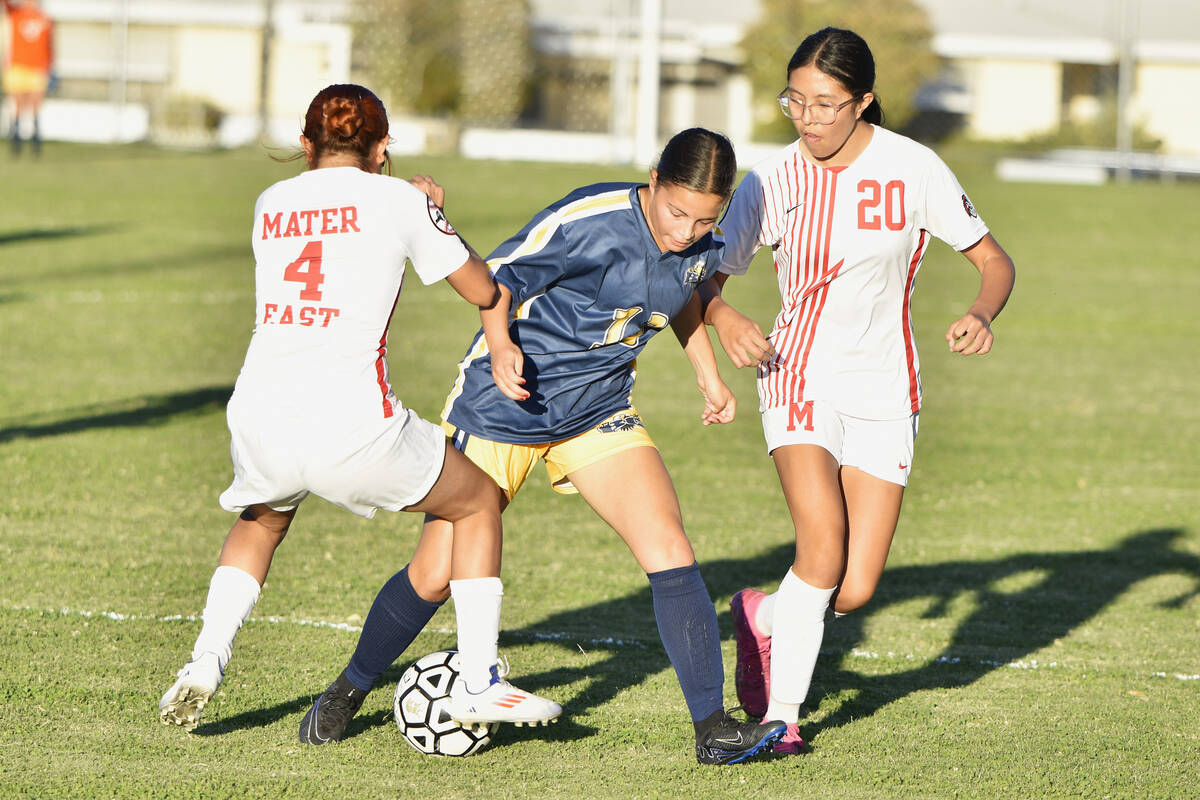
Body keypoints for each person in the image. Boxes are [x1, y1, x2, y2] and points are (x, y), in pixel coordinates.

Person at [300, 127, 788, 765]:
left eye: (705, 219)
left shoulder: (702, 242)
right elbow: (497, 281)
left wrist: (707, 374)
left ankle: (713, 728)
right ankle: (347, 689)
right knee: (434, 574)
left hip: (597, 410)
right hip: (507, 405)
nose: (686, 231)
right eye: (676, 212)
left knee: (669, 547)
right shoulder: (589, 220)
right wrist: (502, 347)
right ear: (653, 181)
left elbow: (687, 292)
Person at [158, 84, 560, 735]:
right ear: (383, 147)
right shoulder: (397, 198)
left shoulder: (270, 201)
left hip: (260, 409)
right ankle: (481, 681)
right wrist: (431, 213)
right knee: (478, 501)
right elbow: (485, 288)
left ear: (305, 144)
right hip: (350, 420)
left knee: (261, 524)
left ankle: (207, 658)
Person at [701, 28, 1016, 754]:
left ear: (863, 101)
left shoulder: (914, 168)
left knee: (856, 587)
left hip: (887, 385)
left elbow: (993, 260)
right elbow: (707, 282)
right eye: (795, 102)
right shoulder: (772, 178)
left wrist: (980, 310)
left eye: (824, 104)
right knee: (821, 547)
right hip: (797, 375)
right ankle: (782, 719)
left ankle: (764, 616)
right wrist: (725, 316)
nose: (807, 118)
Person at [3, 0, 53, 156]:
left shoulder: (45, 18)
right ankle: (15, 137)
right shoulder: (16, 13)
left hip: (37, 69)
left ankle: (36, 139)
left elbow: (50, 44)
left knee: (35, 106)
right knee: (17, 105)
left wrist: (50, 66)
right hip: (18, 67)